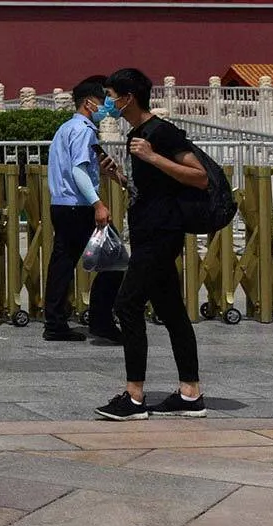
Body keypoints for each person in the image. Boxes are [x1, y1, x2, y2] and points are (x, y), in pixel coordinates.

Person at [89, 69, 209, 420]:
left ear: (129, 97)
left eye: (112, 95)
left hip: (161, 233)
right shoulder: (137, 135)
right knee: (171, 311)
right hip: (146, 229)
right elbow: (151, 188)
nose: (108, 102)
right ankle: (190, 393)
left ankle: (134, 396)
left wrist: (152, 156)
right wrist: (120, 176)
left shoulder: (160, 132)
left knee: (127, 305)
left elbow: (199, 176)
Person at [44, 77, 120, 344]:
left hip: (62, 205)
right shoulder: (84, 130)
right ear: (89, 103)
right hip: (78, 207)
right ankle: (101, 320)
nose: (108, 107)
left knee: (62, 264)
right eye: (104, 101)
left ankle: (54, 322)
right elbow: (77, 169)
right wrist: (97, 203)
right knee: (115, 261)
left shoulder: (66, 129)